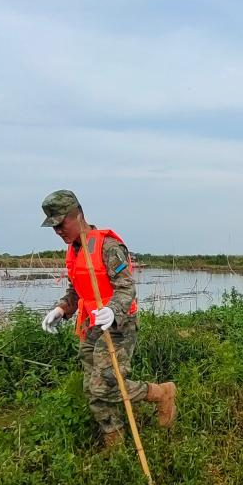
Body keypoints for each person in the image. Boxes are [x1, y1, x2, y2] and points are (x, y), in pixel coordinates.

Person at [38, 190, 176, 448]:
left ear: (77, 215)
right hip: (90, 326)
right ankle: (115, 443)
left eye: (61, 224)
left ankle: (161, 393)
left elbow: (126, 287)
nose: (57, 231)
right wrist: (62, 309)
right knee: (92, 390)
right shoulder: (74, 250)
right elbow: (76, 290)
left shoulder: (108, 247)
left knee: (105, 384)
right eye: (53, 227)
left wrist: (113, 310)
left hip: (118, 325)